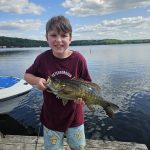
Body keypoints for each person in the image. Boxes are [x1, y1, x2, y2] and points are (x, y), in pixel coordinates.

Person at [24, 15, 91, 150]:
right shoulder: (42, 59)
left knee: (78, 147)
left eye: (64, 35)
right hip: (51, 117)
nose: (58, 40)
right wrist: (38, 80)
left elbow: (87, 83)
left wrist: (84, 98)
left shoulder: (79, 59)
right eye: (53, 35)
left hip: (75, 116)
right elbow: (27, 75)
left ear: (70, 38)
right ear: (47, 38)